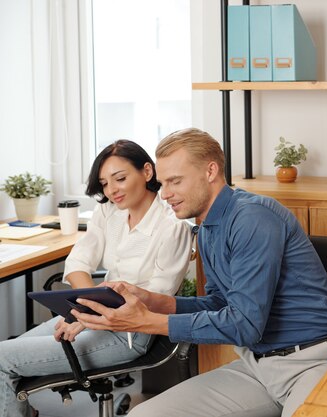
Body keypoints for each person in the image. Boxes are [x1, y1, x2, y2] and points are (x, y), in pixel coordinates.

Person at [73, 128, 327, 417]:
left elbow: (245, 324)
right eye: (162, 182)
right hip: (256, 367)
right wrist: (151, 300)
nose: (165, 193)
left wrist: (148, 322)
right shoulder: (207, 228)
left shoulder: (252, 217)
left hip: (313, 361)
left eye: (175, 181)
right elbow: (221, 303)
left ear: (210, 171)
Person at [0, 140, 192, 417]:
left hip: (131, 332)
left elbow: (156, 297)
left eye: (120, 179)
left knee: (4, 359)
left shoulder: (172, 226)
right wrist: (86, 310)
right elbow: (78, 262)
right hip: (88, 315)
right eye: (104, 183)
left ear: (147, 172)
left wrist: (88, 314)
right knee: (8, 355)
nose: (111, 190)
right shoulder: (108, 211)